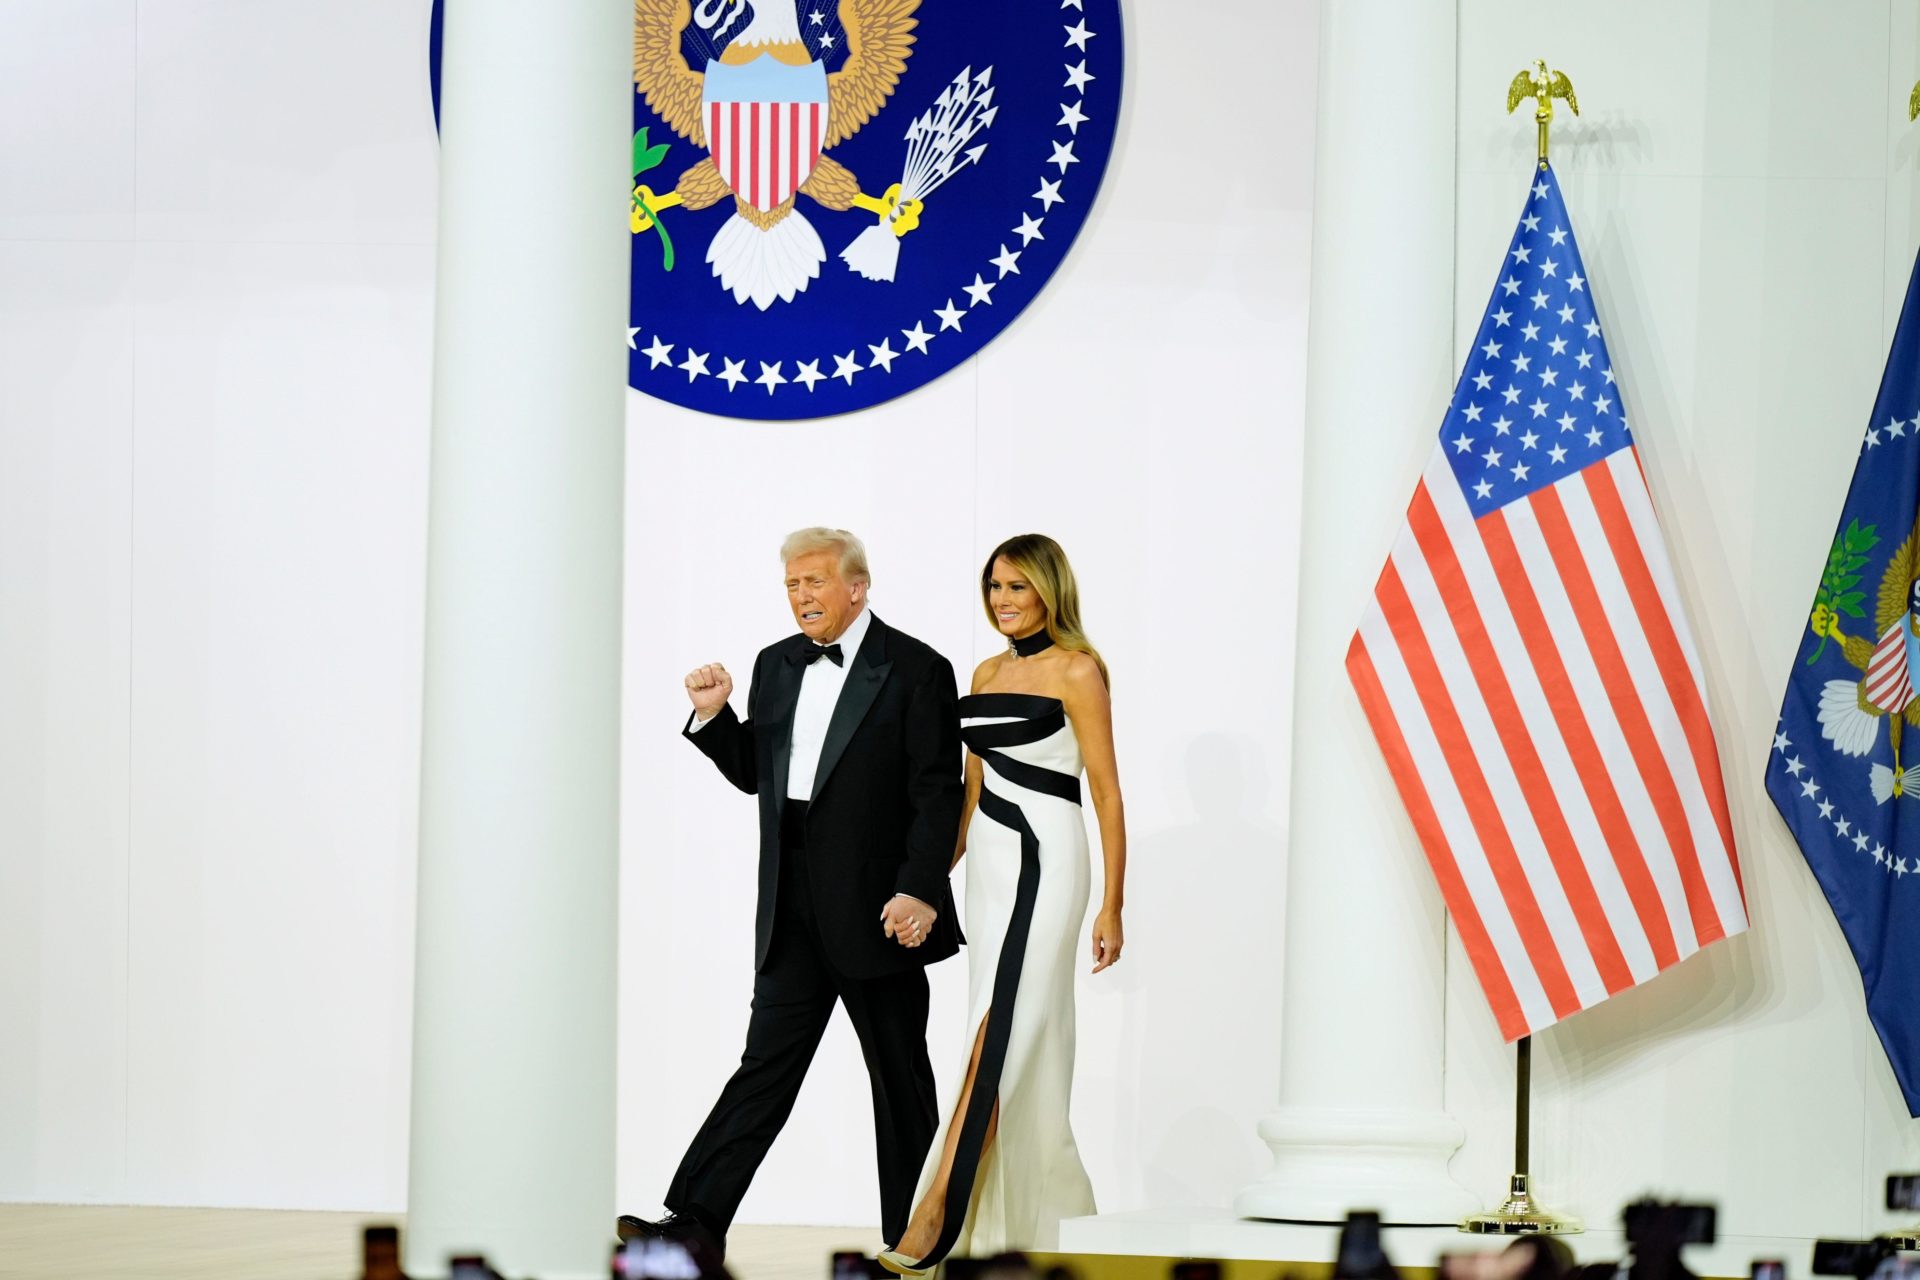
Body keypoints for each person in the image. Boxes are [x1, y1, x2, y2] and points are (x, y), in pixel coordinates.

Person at [618, 528, 964, 1260]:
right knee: (763, 1069)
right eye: (791, 585)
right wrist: (716, 718)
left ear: (857, 586)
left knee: (899, 1077)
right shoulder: (774, 664)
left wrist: (920, 890)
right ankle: (693, 1222)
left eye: (813, 582)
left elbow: (938, 793)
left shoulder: (917, 668)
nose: (801, 596)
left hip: (880, 908)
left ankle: (921, 1235)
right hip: (790, 903)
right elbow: (758, 772)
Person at [879, 534, 1127, 1275]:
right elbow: (972, 794)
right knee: (1019, 1043)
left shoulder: (1080, 672)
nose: (1003, 602)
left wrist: (1112, 904)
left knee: (1003, 1034)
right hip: (989, 870)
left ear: (1050, 590)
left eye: (1017, 587)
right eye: (994, 587)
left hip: (1049, 862)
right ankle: (1042, 1217)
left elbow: (1108, 792)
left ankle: (933, 1221)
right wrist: (928, 881)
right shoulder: (985, 672)